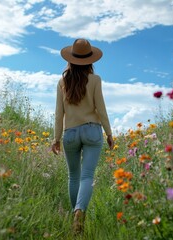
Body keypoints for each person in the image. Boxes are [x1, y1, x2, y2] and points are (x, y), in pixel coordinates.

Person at [51, 38, 114, 235]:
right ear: (90, 60)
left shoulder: (62, 82)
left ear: (70, 59)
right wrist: (109, 133)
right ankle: (80, 212)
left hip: (70, 133)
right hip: (92, 131)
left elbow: (58, 113)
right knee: (87, 176)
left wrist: (56, 138)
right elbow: (100, 109)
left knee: (73, 177)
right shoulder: (95, 80)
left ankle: (74, 215)